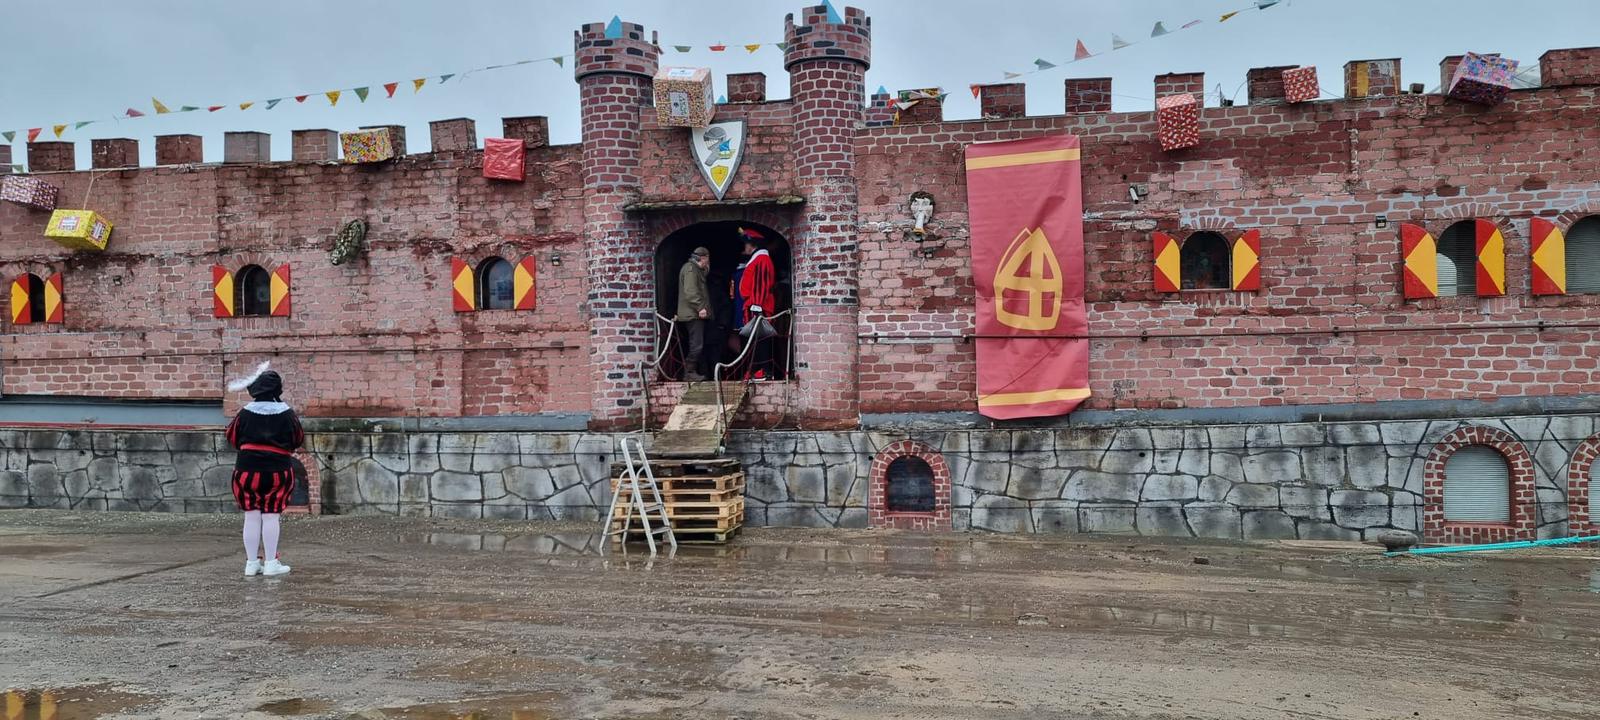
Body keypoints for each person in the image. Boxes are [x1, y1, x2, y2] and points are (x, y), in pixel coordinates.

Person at [225, 362, 304, 577]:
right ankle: (271, 563)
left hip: (246, 470)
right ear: (277, 390)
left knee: (251, 515)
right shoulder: (287, 414)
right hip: (278, 470)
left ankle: (251, 564)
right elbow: (297, 439)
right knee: (271, 516)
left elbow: (231, 437)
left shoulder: (244, 414)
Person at [737, 227, 777, 380]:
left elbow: (761, 284)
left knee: (761, 339)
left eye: (746, 244)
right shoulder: (758, 259)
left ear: (752, 245)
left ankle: (764, 370)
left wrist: (757, 305)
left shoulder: (761, 259)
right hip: (753, 304)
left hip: (758, 305)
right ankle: (756, 369)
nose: (744, 247)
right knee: (754, 339)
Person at [676, 246, 713, 381]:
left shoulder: (695, 269)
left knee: (698, 343)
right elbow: (691, 291)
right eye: (707, 259)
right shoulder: (691, 269)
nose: (708, 262)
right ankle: (689, 372)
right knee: (696, 344)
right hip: (693, 314)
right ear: (703, 258)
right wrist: (700, 307)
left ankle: (693, 371)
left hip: (693, 313)